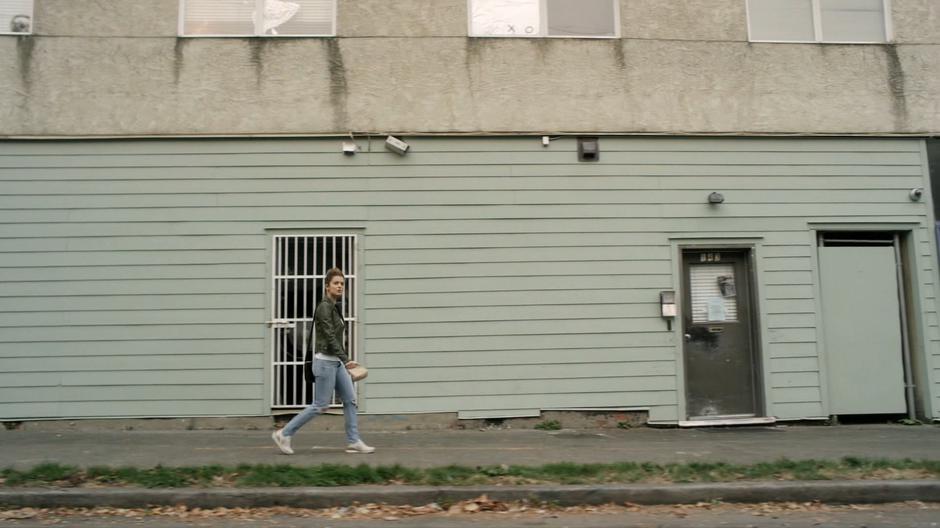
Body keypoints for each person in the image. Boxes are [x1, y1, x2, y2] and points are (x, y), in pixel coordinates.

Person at [272, 267, 375, 455]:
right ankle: (284, 433)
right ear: (327, 286)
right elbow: (328, 336)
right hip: (325, 363)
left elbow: (336, 338)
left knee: (350, 400)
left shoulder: (334, 307)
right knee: (320, 405)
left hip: (336, 363)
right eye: (336, 283)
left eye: (342, 283)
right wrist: (347, 360)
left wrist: (343, 360)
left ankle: (354, 441)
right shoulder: (324, 307)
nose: (340, 286)